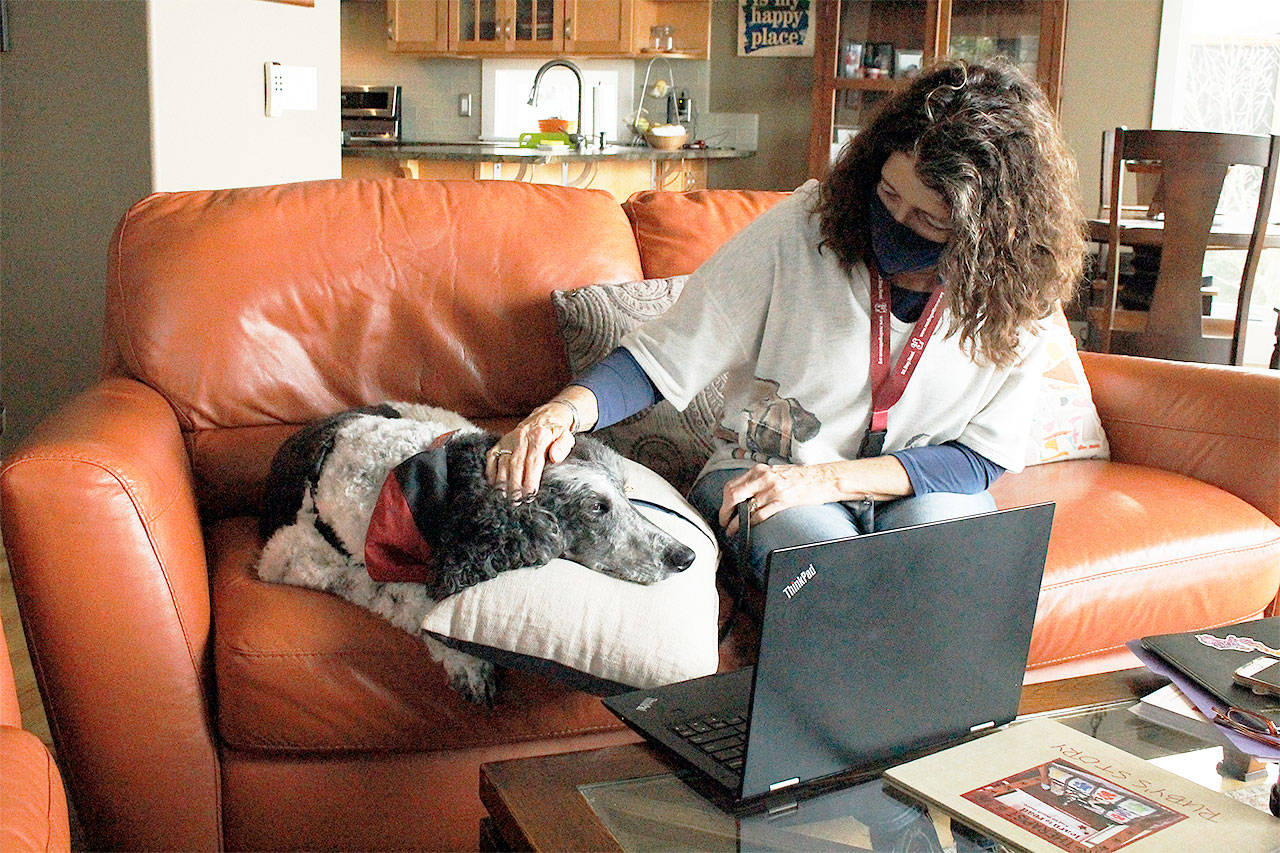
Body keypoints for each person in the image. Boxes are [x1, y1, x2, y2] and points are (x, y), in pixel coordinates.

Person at [486, 58, 1085, 584]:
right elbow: (662, 357)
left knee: (951, 550)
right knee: (824, 562)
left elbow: (982, 458)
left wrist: (831, 480)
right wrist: (563, 411)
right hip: (766, 476)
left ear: (986, 237)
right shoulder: (801, 231)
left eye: (928, 221)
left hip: (907, 486)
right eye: (887, 195)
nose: (895, 223)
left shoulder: (1016, 292)